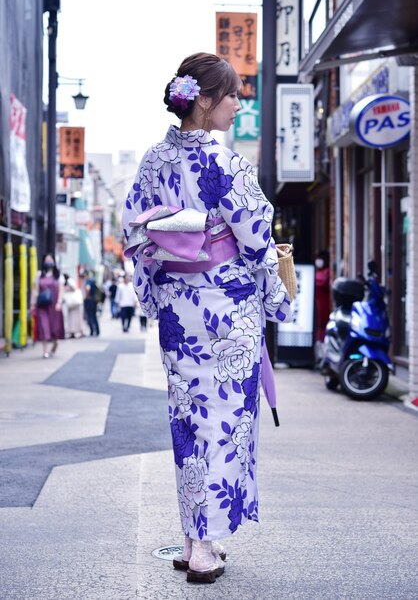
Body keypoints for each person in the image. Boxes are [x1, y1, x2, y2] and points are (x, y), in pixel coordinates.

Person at [122, 52, 292, 584]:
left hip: (179, 311)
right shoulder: (226, 165)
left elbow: (137, 234)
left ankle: (198, 536)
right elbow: (257, 239)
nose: (239, 105)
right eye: (233, 95)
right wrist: (277, 299)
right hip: (227, 310)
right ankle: (203, 548)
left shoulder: (153, 161)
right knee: (226, 426)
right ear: (202, 100)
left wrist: (156, 292)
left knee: (190, 423)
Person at [30, 253, 65, 358]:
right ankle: (45, 351)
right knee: (44, 327)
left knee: (54, 329)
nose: (48, 262)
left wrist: (59, 302)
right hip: (42, 306)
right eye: (46, 260)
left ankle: (55, 344)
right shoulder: (39, 275)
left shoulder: (58, 276)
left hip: (54, 306)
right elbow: (35, 290)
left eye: (50, 260)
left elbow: (61, 291)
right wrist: (32, 304)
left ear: (54, 262)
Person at [314, 249, 331, 343]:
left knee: (323, 323)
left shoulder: (327, 272)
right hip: (317, 301)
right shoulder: (317, 271)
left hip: (324, 302)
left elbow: (322, 282)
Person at [62, 273, 84, 338]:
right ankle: (74, 331)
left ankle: (75, 331)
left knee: (74, 317)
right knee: (73, 317)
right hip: (73, 303)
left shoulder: (69, 281)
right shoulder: (71, 280)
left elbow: (73, 288)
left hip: (73, 302)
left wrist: (67, 290)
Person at [83, 270, 100, 336]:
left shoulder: (88, 281)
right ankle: (97, 331)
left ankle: (92, 331)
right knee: (94, 316)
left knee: (90, 316)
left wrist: (86, 297)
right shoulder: (93, 281)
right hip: (94, 300)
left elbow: (88, 289)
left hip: (89, 301)